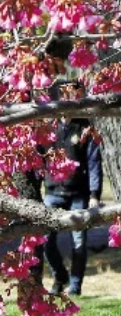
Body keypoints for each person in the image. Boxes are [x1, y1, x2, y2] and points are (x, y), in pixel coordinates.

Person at [42, 117, 103, 296]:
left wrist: (94, 194)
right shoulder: (48, 127)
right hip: (53, 192)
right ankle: (60, 275)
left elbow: (93, 162)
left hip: (79, 193)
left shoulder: (84, 126)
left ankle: (75, 287)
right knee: (46, 240)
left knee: (79, 242)